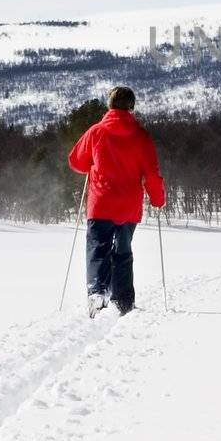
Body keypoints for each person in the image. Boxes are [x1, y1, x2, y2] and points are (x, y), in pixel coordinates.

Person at [68, 86, 165, 316]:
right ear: (131, 107)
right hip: (128, 207)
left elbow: (76, 161)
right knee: (123, 252)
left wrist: (93, 163)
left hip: (101, 203)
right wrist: (158, 199)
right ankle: (123, 301)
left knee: (98, 248)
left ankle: (97, 292)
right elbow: (151, 173)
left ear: (109, 105)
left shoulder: (96, 132)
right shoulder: (141, 135)